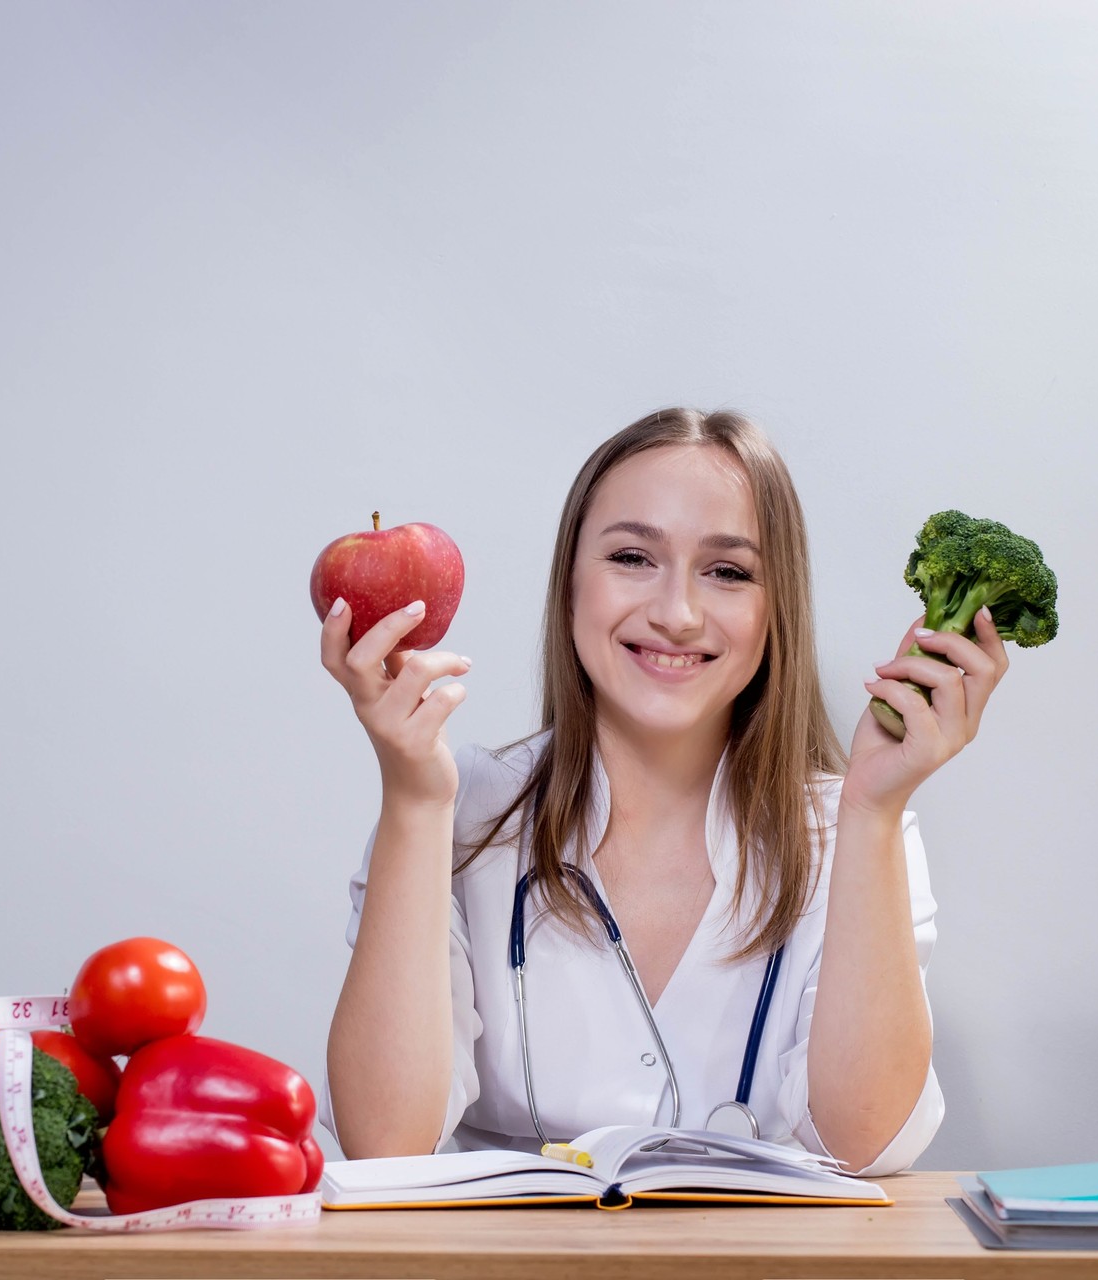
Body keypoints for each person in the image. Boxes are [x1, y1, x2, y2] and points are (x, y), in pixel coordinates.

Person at [316, 407, 1009, 1176]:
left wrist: (873, 810)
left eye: (728, 571)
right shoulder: (456, 804)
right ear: (570, 583)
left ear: (775, 609)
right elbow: (383, 1142)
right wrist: (413, 804)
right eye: (632, 557)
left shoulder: (850, 829)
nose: (677, 614)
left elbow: (866, 1142)